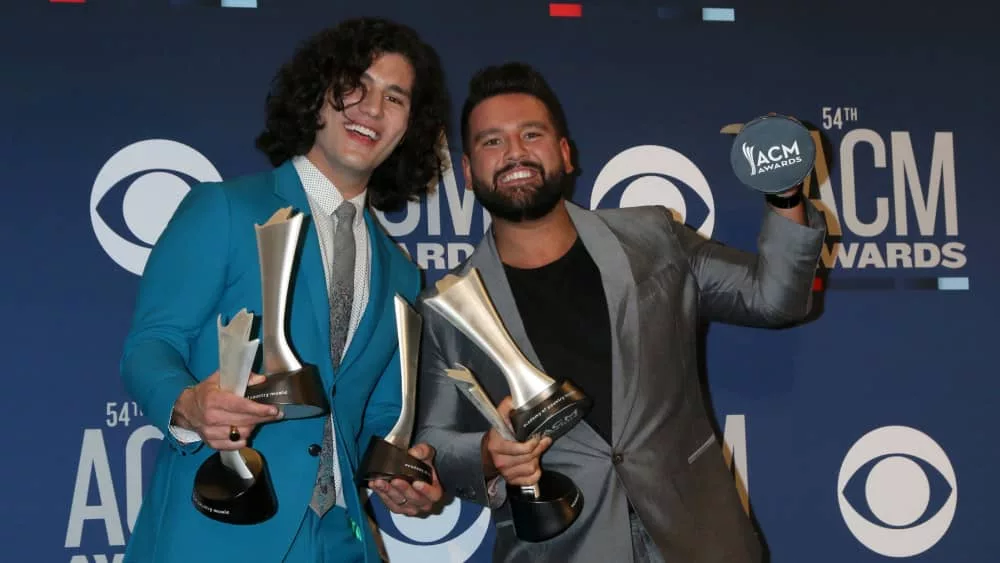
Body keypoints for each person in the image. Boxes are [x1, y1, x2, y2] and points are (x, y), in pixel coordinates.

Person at [413, 62, 827, 562]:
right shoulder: (448, 306)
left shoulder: (654, 237)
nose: (515, 152)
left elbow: (774, 298)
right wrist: (486, 453)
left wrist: (785, 192)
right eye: (492, 141)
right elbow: (434, 442)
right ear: (467, 171)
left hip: (701, 540)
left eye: (531, 134)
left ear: (566, 153)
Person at [120, 17, 451, 563]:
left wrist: (406, 477)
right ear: (316, 93)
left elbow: (375, 421)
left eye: (395, 97)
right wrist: (189, 404)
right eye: (357, 85)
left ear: (409, 126)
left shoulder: (401, 273)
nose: (372, 108)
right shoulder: (225, 209)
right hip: (217, 531)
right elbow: (151, 344)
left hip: (343, 541)